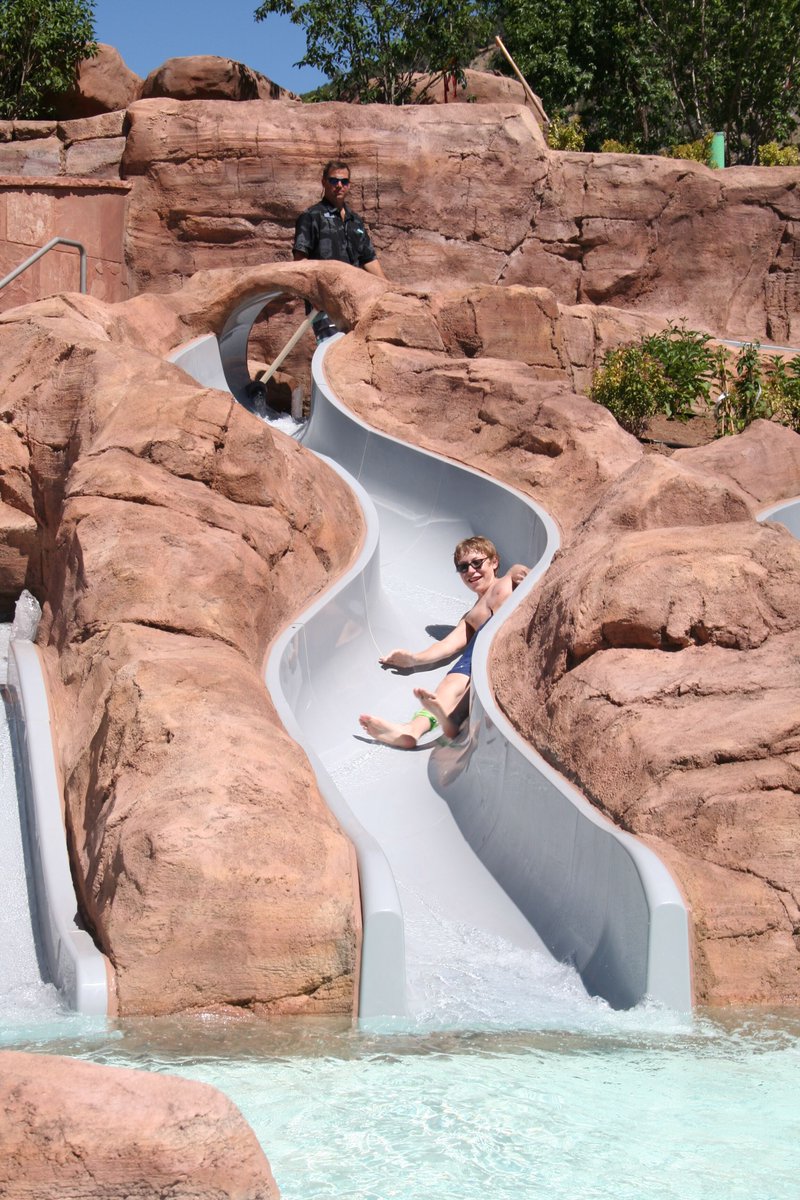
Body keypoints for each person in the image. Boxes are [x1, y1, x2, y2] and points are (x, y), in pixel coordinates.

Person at [359, 537, 528, 749]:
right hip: (477, 652)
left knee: (475, 680)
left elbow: (533, 582)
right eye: (463, 567)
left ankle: (454, 718)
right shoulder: (470, 616)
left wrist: (519, 571)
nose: (471, 571)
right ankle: (413, 730)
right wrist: (412, 659)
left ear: (494, 562)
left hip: (501, 640)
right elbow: (447, 646)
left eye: (477, 563)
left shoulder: (509, 579)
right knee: (450, 684)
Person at [293, 159, 386, 339]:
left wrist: (388, 289)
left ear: (349, 185)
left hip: (355, 302)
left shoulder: (355, 220)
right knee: (332, 352)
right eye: (334, 181)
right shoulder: (311, 217)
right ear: (324, 182)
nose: (339, 186)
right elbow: (300, 263)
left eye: (344, 182)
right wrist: (313, 297)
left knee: (353, 357)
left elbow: (368, 259)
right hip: (326, 305)